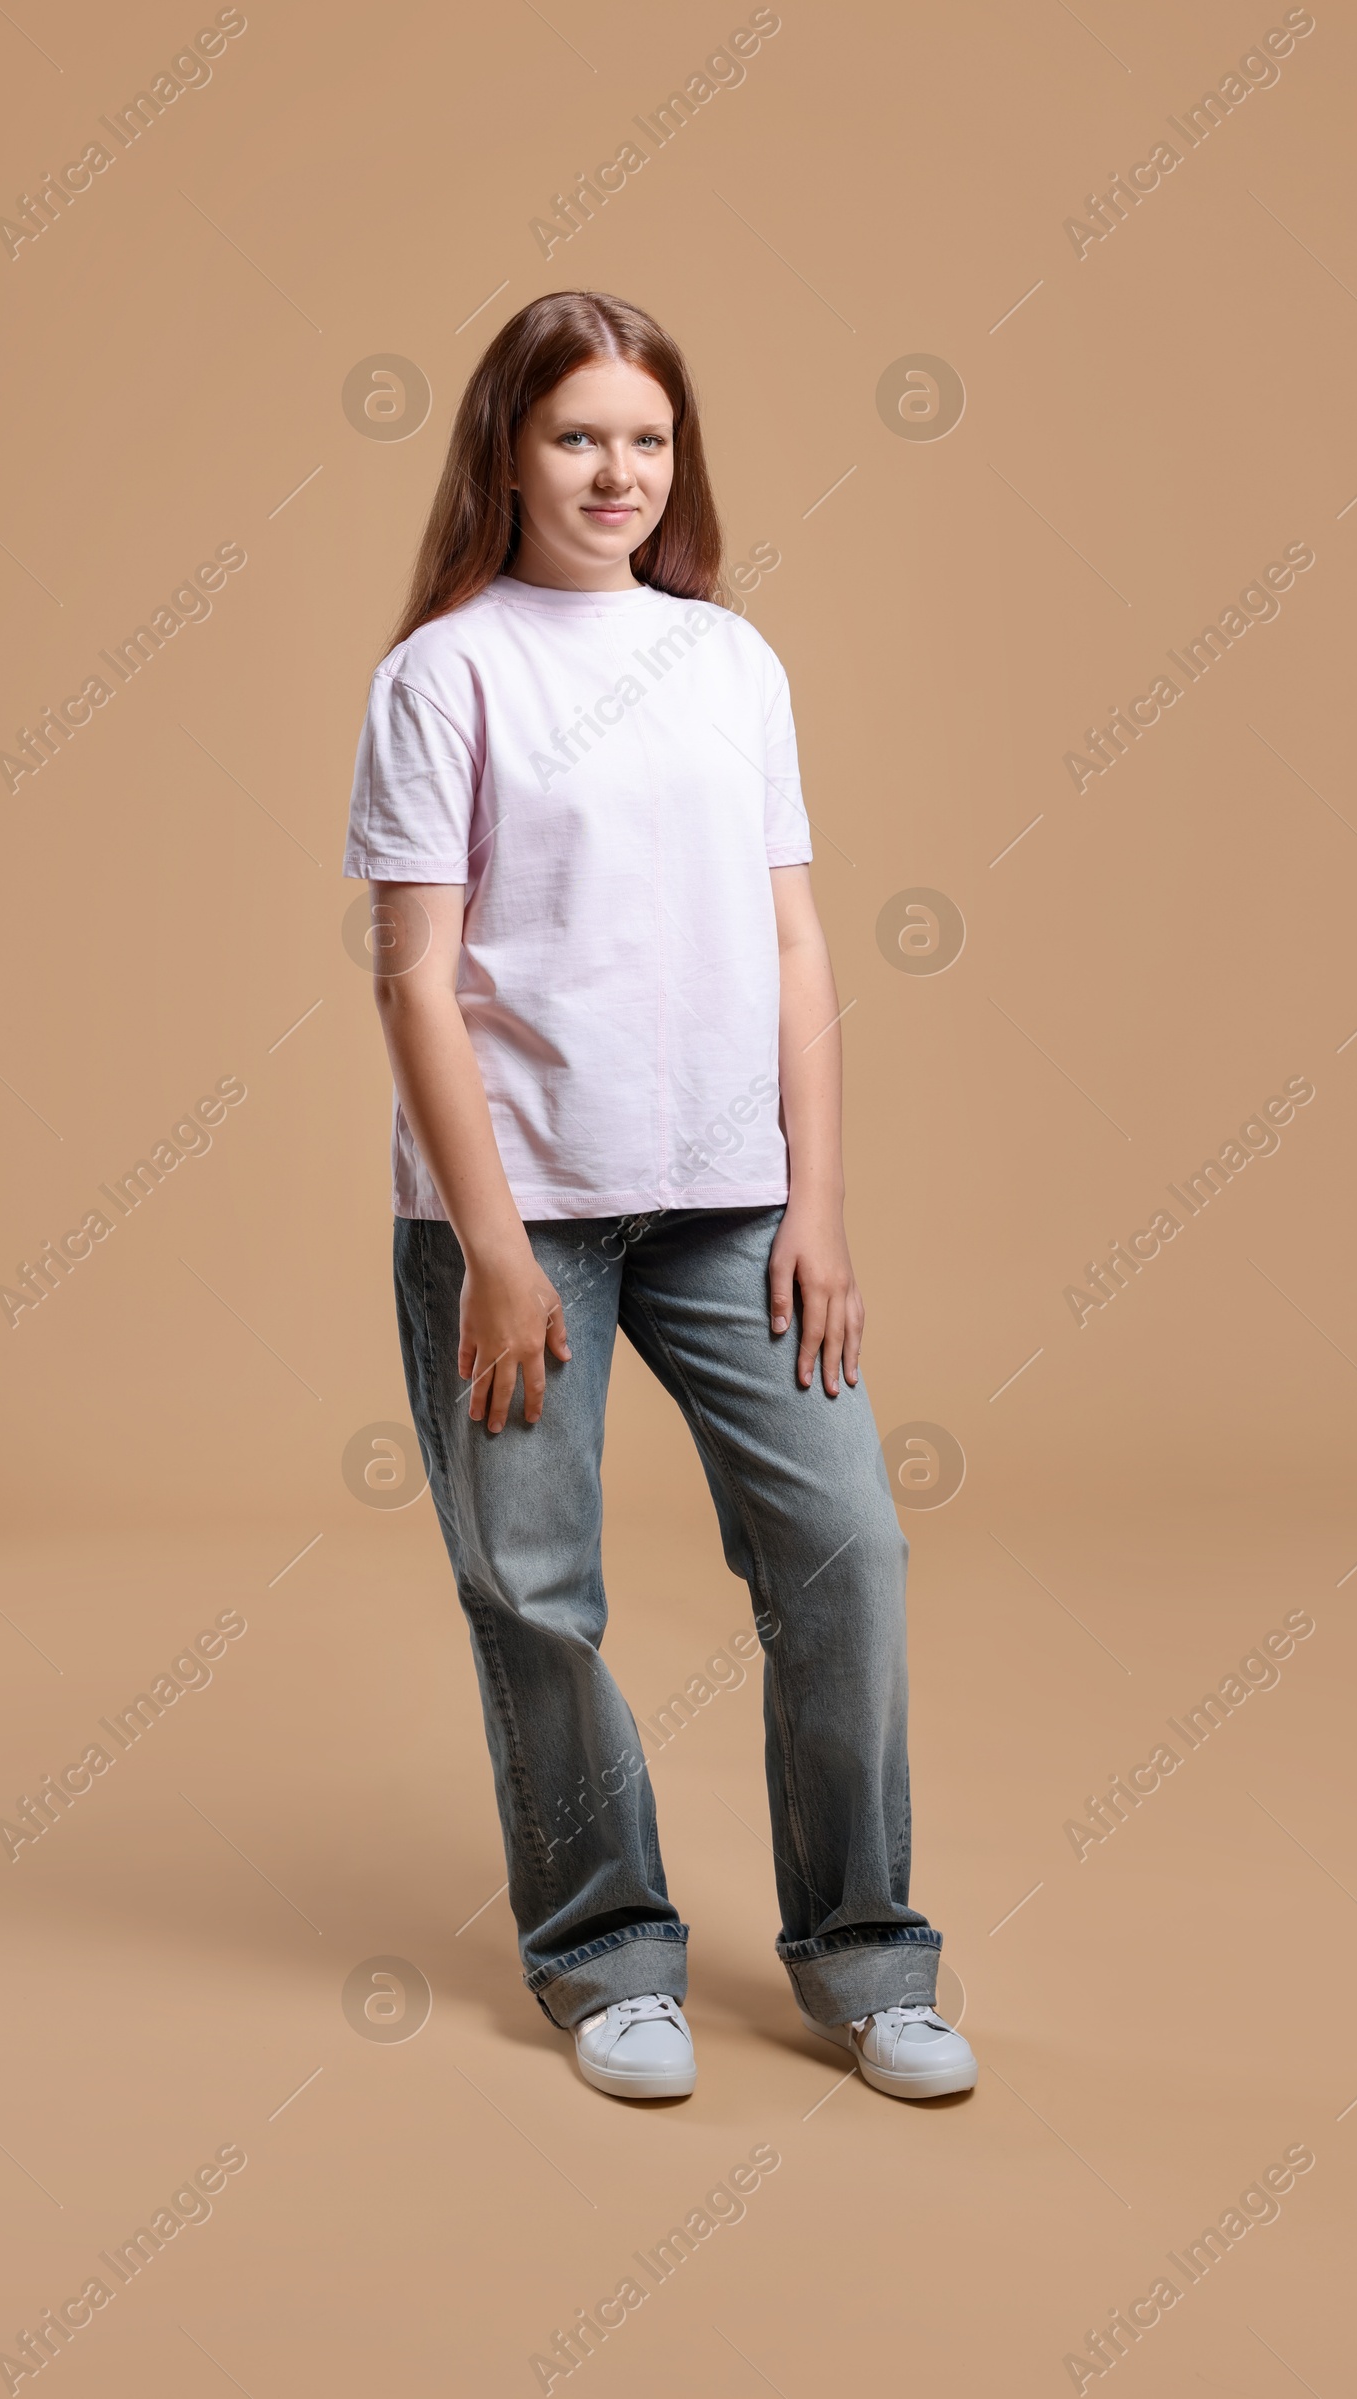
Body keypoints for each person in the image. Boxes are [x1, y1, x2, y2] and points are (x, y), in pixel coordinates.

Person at [343, 290, 976, 2105]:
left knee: (849, 1553)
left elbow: (792, 939)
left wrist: (819, 1201)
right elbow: (411, 976)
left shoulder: (732, 661)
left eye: (647, 438)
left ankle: (866, 1956)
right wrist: (487, 1250)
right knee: (538, 1593)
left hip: (733, 1205)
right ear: (507, 453)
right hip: (518, 1216)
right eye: (576, 436)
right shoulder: (443, 673)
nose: (616, 471)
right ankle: (605, 1951)